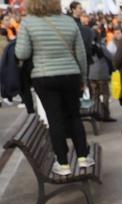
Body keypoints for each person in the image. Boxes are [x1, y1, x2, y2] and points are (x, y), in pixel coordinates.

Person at [15, 0, 91, 176]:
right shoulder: (69, 21)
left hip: (44, 76)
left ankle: (63, 163)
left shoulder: (28, 22)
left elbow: (22, 53)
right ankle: (82, 157)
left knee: (55, 118)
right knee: (74, 116)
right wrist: (83, 78)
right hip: (71, 74)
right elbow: (81, 54)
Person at [88, 26, 115, 122]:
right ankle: (106, 115)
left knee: (95, 95)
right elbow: (110, 56)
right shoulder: (101, 46)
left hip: (91, 74)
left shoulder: (88, 46)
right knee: (105, 94)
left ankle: (96, 113)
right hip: (102, 74)